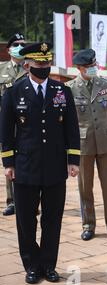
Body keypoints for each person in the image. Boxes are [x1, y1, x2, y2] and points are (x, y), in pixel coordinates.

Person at [0, 42, 80, 284]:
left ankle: (49, 264)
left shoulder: (61, 91)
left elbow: (71, 127)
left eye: (47, 63)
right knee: (26, 219)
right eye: (39, 63)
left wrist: (73, 159)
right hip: (25, 165)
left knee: (52, 219)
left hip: (55, 166)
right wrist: (8, 163)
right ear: (27, 65)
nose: (44, 67)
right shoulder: (13, 92)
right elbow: (6, 132)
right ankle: (32, 265)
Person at [66, 49, 107, 241]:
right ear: (79, 68)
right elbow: (68, 121)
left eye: (93, 65)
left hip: (105, 141)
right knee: (85, 187)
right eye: (88, 67)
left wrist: (103, 128)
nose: (92, 69)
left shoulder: (106, 84)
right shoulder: (70, 88)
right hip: (83, 143)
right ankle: (88, 224)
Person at [0, 33, 28, 216]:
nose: (20, 47)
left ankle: (29, 199)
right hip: (7, 124)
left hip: (27, 124)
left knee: (28, 160)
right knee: (9, 161)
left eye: (23, 44)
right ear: (9, 49)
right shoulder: (1, 69)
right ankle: (11, 201)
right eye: (16, 44)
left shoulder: (31, 68)